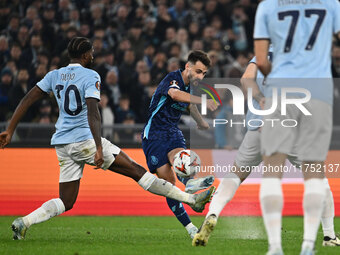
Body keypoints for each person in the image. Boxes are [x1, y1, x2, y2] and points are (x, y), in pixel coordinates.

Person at [0, 37, 215, 240]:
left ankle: (24, 222)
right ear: (84, 56)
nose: (93, 56)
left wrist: (10, 130)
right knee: (137, 172)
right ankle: (191, 199)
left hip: (62, 144)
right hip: (86, 140)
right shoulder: (91, 76)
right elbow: (93, 112)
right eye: (91, 53)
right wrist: (99, 147)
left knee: (66, 201)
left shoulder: (53, 75)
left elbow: (28, 98)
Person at [193, 51, 340, 248]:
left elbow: (246, 80)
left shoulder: (262, 55)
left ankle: (213, 213)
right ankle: (329, 236)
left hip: (257, 128)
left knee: (235, 175)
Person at [254, 1, 340, 254]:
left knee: (272, 170)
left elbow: (260, 60)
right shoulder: (331, 3)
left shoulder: (267, 6)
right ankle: (307, 246)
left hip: (281, 89)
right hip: (319, 91)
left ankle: (275, 247)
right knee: (314, 171)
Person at [141, 50, 219, 238]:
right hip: (153, 135)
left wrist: (200, 122)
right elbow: (175, 95)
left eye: (204, 73)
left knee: (183, 158)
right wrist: (204, 101)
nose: (201, 76)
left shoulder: (190, 86)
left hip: (172, 132)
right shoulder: (173, 78)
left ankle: (190, 183)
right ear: (188, 67)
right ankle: (191, 228)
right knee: (169, 186)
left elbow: (189, 106)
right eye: (199, 71)